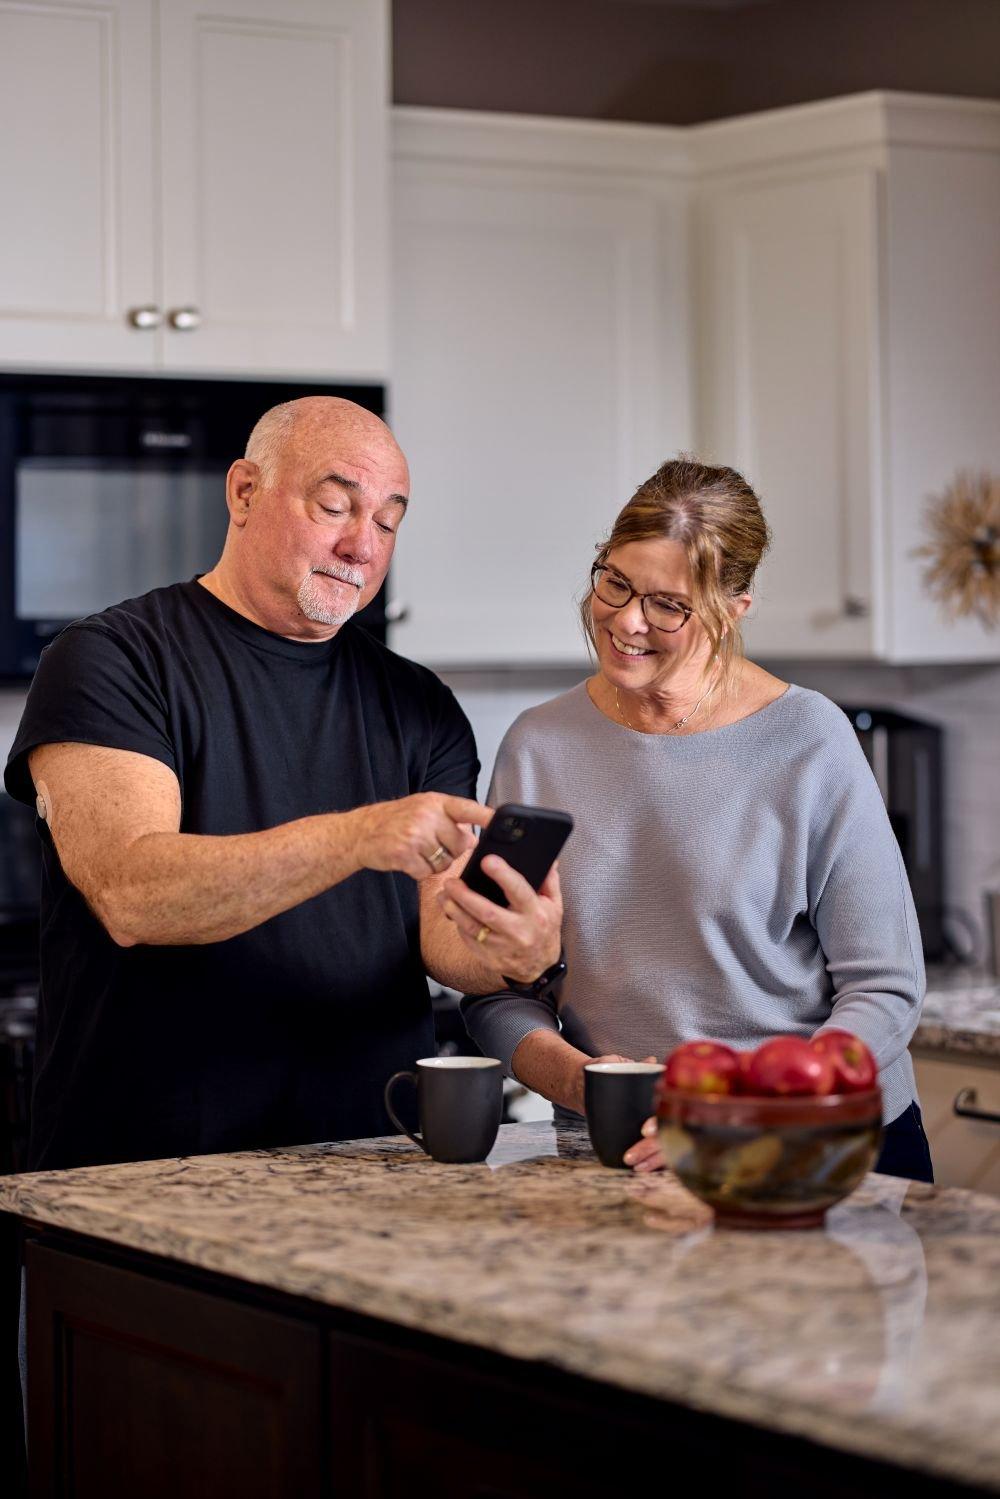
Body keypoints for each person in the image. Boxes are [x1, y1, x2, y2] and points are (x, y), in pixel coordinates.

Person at [4, 397, 561, 1171]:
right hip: (142, 1172)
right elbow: (132, 894)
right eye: (334, 505)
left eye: (389, 521)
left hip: (371, 1158)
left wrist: (517, 951)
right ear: (243, 491)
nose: (361, 544)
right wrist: (357, 836)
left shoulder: (418, 704)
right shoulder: (111, 660)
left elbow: (445, 937)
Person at [453, 457, 933, 1182]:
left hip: (816, 1147)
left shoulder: (809, 739)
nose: (625, 620)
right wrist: (582, 1082)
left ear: (733, 609)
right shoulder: (538, 745)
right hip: (618, 1152)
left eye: (668, 603)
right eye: (614, 581)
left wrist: (762, 1107)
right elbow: (496, 987)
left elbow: (885, 988)